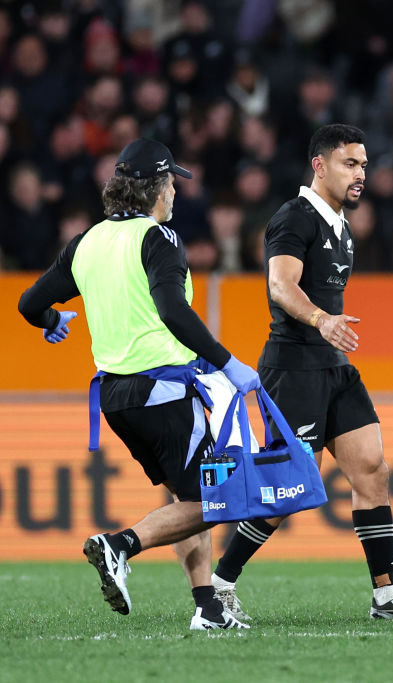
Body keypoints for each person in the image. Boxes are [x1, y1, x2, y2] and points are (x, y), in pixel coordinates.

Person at [209, 123, 393, 621]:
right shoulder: (293, 219)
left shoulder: (339, 223)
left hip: (334, 366)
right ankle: (219, 583)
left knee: (372, 472)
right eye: (350, 164)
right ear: (319, 166)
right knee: (288, 490)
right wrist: (322, 319)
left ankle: (387, 596)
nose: (361, 174)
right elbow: (279, 285)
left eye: (364, 164)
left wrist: (329, 329)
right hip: (294, 368)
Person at [17, 137, 256, 630]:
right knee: (218, 498)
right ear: (153, 189)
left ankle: (207, 607)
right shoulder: (158, 238)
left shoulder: (86, 242)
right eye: (171, 183)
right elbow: (173, 310)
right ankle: (121, 545)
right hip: (163, 391)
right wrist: (227, 361)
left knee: (184, 496)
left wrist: (49, 320)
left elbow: (28, 303)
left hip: (115, 398)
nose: (175, 193)